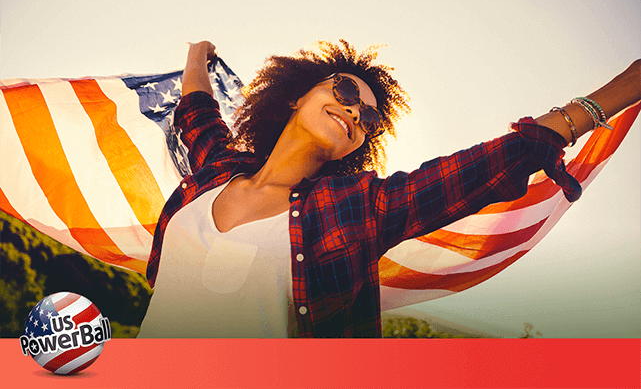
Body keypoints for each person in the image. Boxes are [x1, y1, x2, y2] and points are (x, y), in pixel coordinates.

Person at [138, 40, 640, 338]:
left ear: (353, 145)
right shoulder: (216, 170)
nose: (356, 110)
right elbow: (196, 109)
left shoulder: (354, 208)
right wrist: (197, 48)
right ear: (295, 96)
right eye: (345, 91)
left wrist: (625, 87)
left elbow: (484, 166)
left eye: (369, 116)